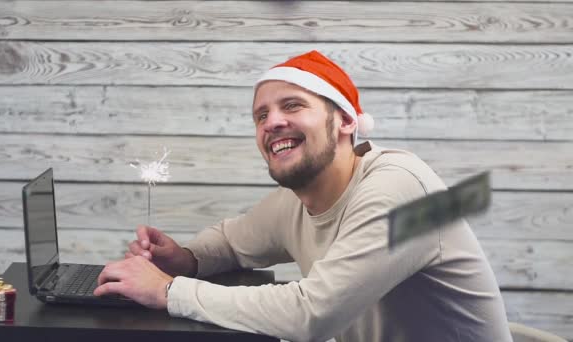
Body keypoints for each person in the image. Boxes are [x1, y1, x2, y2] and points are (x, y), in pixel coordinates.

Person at [94, 50, 513, 342]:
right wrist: (185, 258)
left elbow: (314, 314)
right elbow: (230, 242)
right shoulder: (298, 199)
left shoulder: (403, 190)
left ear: (346, 120)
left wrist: (169, 291)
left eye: (292, 106)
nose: (272, 122)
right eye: (261, 115)